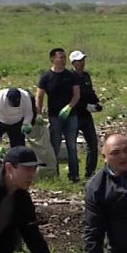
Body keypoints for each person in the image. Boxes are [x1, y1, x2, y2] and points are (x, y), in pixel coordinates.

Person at [35, 47, 82, 182]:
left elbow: (76, 94)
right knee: (54, 145)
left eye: (64, 57)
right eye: (59, 57)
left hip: (71, 115)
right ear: (52, 59)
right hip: (54, 116)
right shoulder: (46, 77)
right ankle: (54, 173)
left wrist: (69, 106)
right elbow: (39, 96)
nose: (62, 60)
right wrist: (39, 113)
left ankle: (74, 175)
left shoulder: (71, 76)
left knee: (71, 145)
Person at [70, 50, 103, 179]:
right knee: (71, 145)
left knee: (93, 143)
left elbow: (90, 92)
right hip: (75, 115)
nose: (82, 63)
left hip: (86, 115)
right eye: (79, 61)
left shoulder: (86, 76)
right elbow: (70, 98)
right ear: (73, 63)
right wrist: (85, 106)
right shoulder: (70, 77)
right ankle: (74, 174)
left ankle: (90, 172)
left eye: (83, 60)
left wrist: (96, 102)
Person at [0, 88, 35, 159]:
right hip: (1, 122)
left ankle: (17, 165)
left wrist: (26, 123)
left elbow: (29, 112)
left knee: (19, 149)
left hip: (17, 123)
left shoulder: (25, 96)